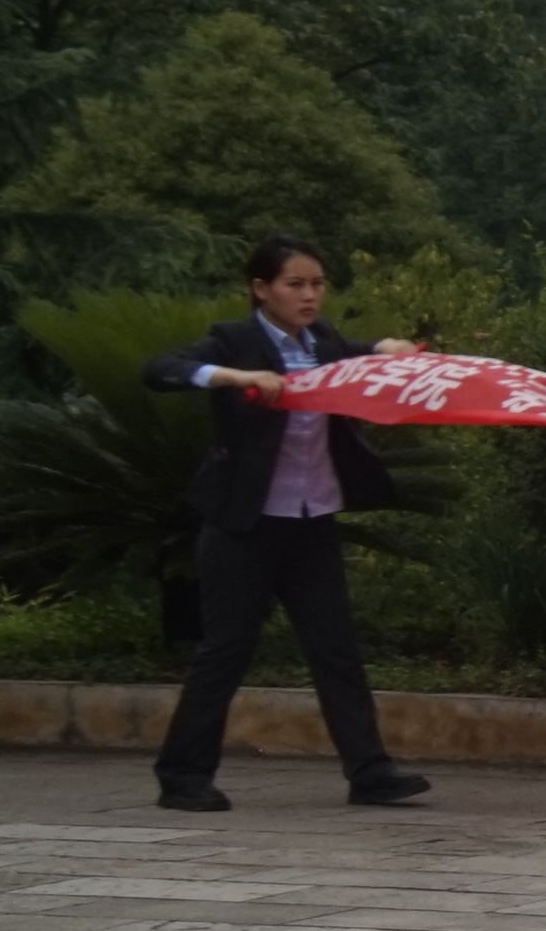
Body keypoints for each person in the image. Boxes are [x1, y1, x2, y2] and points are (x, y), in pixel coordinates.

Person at [145, 235, 439, 813]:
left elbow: (356, 352)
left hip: (310, 519)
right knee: (225, 650)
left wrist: (385, 346)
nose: (309, 296)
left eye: (317, 284)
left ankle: (371, 772)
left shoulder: (323, 341)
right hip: (243, 525)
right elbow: (160, 370)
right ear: (261, 289)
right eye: (295, 285)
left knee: (336, 649)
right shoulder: (235, 341)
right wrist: (232, 378)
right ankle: (182, 776)